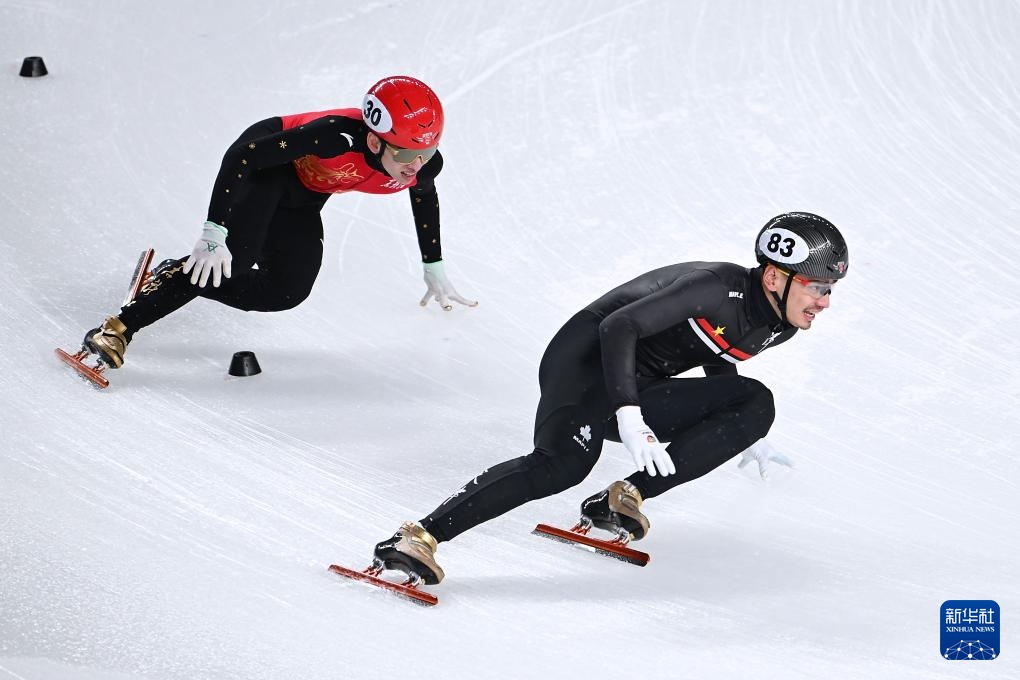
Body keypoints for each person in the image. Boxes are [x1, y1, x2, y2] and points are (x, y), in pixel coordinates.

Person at [369, 212, 849, 585]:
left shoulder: (779, 325)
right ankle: (419, 536)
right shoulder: (714, 285)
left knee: (755, 402)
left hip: (638, 385)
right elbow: (619, 326)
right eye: (819, 288)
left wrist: (741, 428)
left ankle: (622, 498)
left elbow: (717, 347)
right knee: (560, 467)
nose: (825, 302)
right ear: (774, 278)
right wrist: (630, 415)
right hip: (584, 363)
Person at [83, 75, 476, 371]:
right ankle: (119, 328)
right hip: (268, 166)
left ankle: (175, 275)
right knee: (235, 260)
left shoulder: (422, 167)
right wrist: (215, 229)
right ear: (374, 142)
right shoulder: (335, 136)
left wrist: (433, 265)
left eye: (427, 151)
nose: (417, 166)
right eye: (408, 153)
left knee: (286, 291)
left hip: (304, 196)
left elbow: (424, 199)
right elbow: (244, 156)